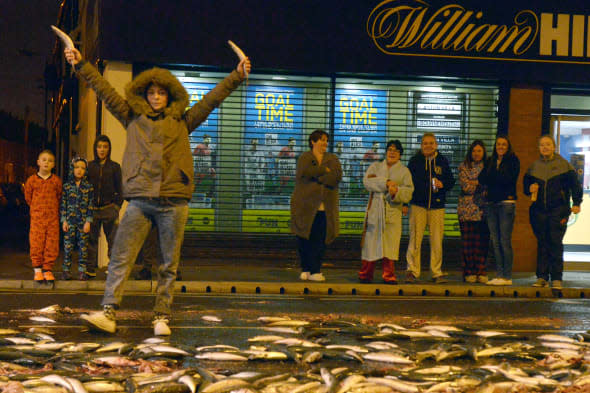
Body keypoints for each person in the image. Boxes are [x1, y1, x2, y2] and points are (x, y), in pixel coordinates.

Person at [64, 45, 251, 335]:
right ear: (144, 95)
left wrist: (236, 76)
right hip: (140, 199)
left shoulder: (183, 121)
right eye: (151, 93)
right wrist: (80, 65)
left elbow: (212, 100)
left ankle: (161, 316)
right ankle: (108, 312)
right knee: (121, 257)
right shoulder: (131, 117)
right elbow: (104, 90)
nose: (156, 98)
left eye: (161, 93)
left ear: (170, 96)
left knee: (167, 263)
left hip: (174, 200)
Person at [523, 135, 583, 289]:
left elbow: (575, 186)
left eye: (548, 144)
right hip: (539, 211)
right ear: (539, 148)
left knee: (555, 242)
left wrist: (577, 203)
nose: (545, 147)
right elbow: (525, 187)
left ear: (554, 147)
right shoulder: (534, 167)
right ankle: (542, 277)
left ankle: (557, 278)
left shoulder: (564, 165)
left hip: (559, 210)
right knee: (542, 242)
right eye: (542, 145)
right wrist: (529, 189)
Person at [358, 140, 414, 284]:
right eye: (390, 149)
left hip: (393, 210)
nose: (392, 153)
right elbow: (367, 182)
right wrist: (386, 183)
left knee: (390, 244)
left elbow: (408, 192)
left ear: (400, 154)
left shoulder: (404, 171)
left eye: (396, 150)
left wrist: (396, 192)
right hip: (375, 209)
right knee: (370, 243)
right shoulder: (375, 166)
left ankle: (389, 275)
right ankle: (366, 274)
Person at [291, 129, 342, 282]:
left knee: (320, 240)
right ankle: (305, 268)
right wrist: (323, 170)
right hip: (305, 207)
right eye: (321, 139)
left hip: (324, 208)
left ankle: (316, 270)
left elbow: (336, 176)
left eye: (326, 140)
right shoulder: (305, 157)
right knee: (304, 238)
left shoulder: (332, 159)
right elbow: (303, 173)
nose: (325, 143)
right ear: (312, 141)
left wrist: (318, 178)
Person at [405, 133, 455, 283]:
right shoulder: (414, 161)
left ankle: (436, 272)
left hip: (437, 206)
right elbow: (407, 183)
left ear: (436, 145)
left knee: (436, 240)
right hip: (418, 205)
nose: (428, 146)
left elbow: (451, 181)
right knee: (415, 240)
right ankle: (412, 271)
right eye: (425, 143)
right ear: (421, 145)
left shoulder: (443, 161)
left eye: (431, 143)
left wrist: (443, 185)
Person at [478, 135, 520, 286]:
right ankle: (499, 274)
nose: (500, 147)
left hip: (506, 204)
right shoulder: (490, 161)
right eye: (498, 144)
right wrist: (494, 177)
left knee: (504, 241)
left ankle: (507, 276)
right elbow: (482, 179)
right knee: (495, 241)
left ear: (508, 147)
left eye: (503, 144)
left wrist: (492, 178)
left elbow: (507, 179)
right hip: (491, 204)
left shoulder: (513, 161)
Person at [24, 150, 62, 284]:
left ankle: (48, 269)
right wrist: (36, 210)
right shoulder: (32, 180)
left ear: (53, 164)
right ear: (38, 162)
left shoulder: (56, 181)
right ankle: (37, 269)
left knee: (51, 243)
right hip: (37, 219)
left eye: (50, 160)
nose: (47, 162)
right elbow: (28, 197)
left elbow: (59, 197)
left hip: (52, 219)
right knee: (36, 243)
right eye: (44, 159)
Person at [87, 135, 122, 278]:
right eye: (99, 146)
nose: (102, 150)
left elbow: (121, 189)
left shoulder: (115, 167)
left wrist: (116, 207)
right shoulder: (90, 166)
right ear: (95, 148)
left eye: (105, 147)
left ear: (109, 149)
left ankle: (113, 270)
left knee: (113, 241)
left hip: (109, 209)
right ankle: (90, 270)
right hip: (93, 210)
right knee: (90, 241)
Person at [458, 140, 489, 284]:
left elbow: (488, 187)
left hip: (483, 211)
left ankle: (481, 271)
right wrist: (479, 184)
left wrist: (475, 183)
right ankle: (469, 272)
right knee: (468, 244)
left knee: (481, 243)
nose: (476, 154)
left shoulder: (489, 167)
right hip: (466, 211)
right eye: (474, 151)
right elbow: (466, 187)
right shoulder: (463, 166)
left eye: (479, 151)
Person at [60, 157, 94, 280]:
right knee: (68, 247)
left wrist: (88, 221)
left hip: (83, 222)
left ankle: (82, 271)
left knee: (83, 247)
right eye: (77, 167)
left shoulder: (88, 187)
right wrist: (64, 220)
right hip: (70, 221)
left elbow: (90, 205)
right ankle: (66, 270)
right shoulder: (67, 186)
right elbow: (63, 203)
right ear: (72, 169)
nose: (79, 170)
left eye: (82, 168)